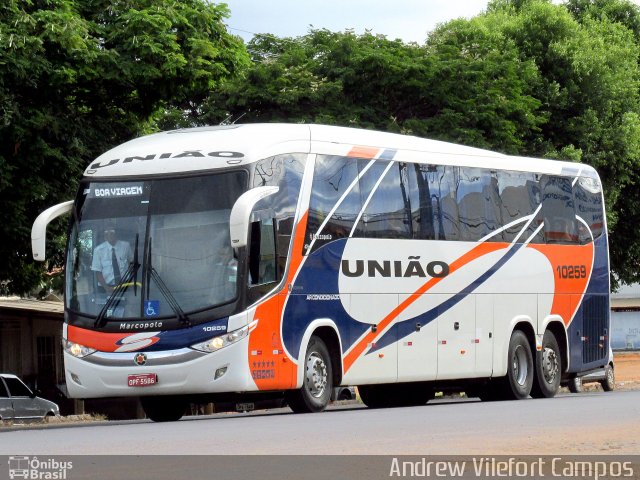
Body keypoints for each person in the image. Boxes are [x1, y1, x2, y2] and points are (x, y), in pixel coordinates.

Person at [91, 224, 133, 294]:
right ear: (104, 236)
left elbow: (131, 262)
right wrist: (107, 288)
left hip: (125, 285)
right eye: (106, 233)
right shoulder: (98, 250)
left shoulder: (126, 246)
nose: (109, 235)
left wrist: (130, 281)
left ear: (116, 233)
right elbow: (98, 272)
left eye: (112, 232)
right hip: (106, 287)